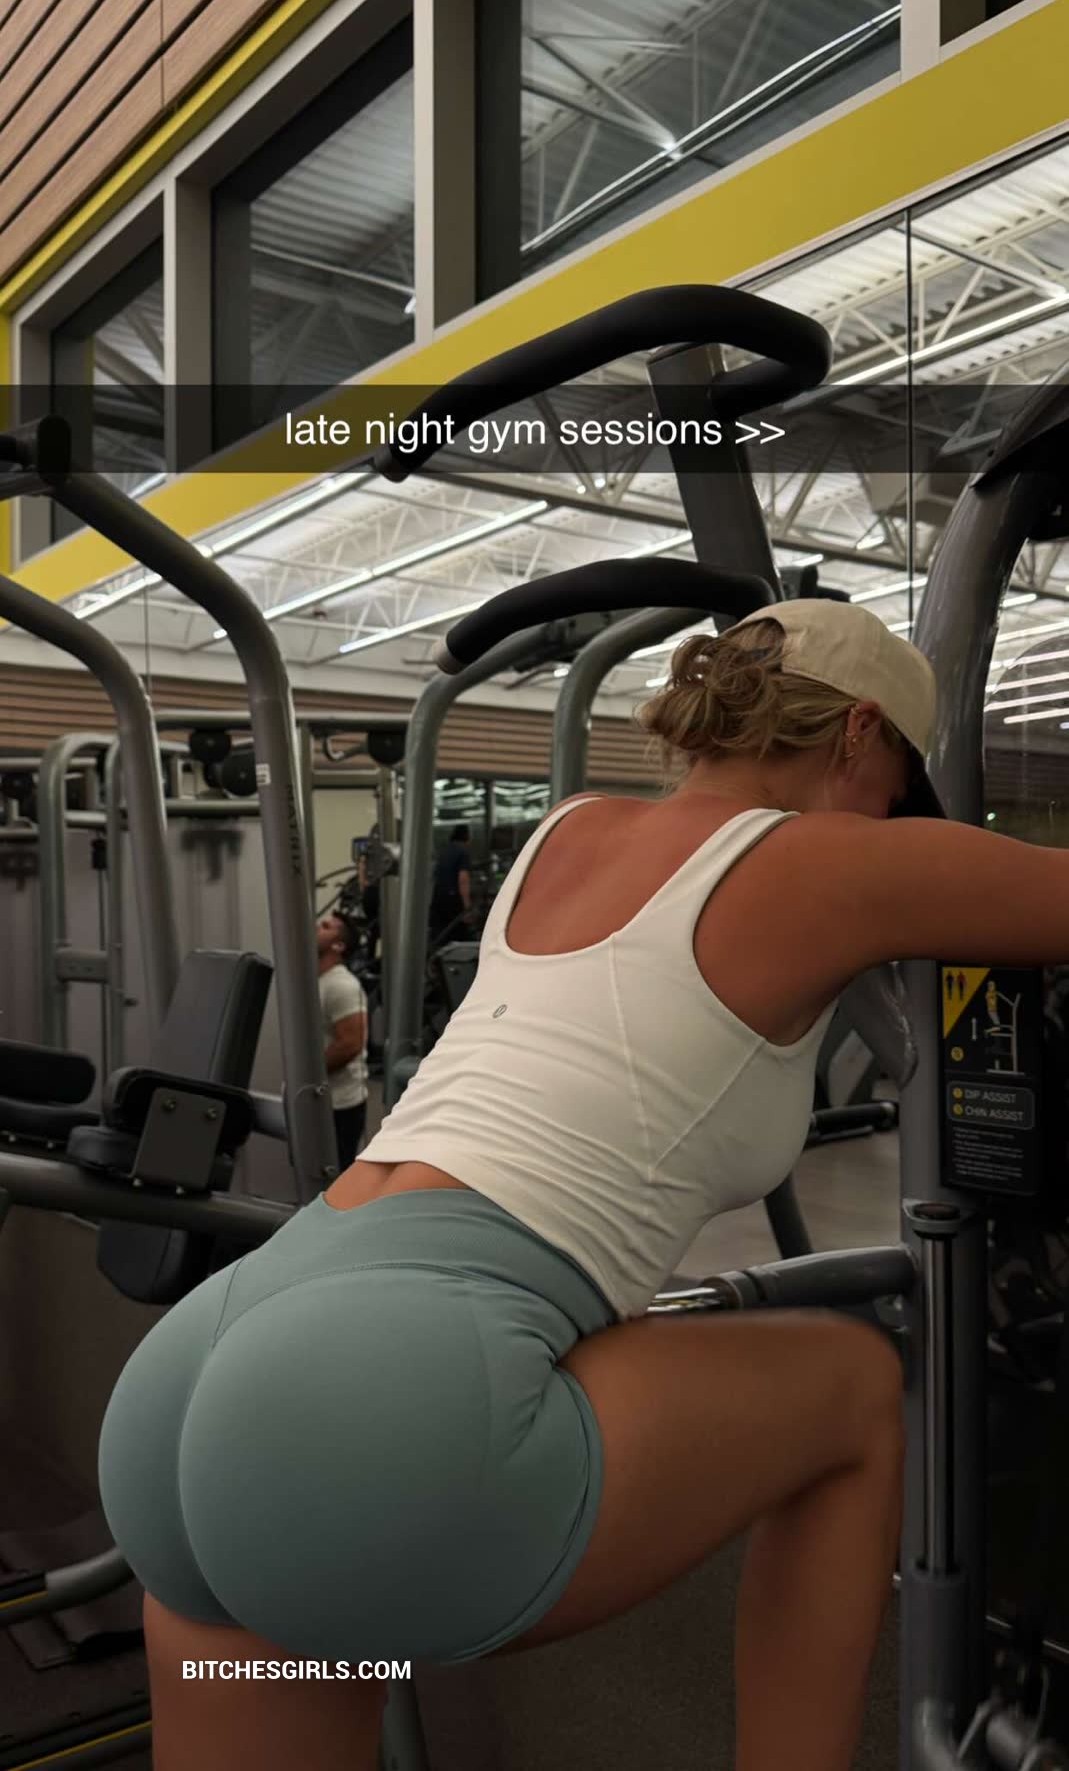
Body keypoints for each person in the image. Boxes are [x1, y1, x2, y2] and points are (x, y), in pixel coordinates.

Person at [97, 597, 1069, 1771]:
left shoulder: (567, 828)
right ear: (859, 731)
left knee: (302, 1636)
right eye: (900, 786)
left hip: (209, 1367)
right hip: (375, 1405)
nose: (892, 815)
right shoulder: (835, 859)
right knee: (859, 1387)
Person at [316, 912, 368, 1168]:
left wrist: (305, 1074)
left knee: (332, 1178)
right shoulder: (318, 981)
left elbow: (351, 1044)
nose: (317, 927)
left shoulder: (341, 985)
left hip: (339, 1106)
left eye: (326, 926)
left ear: (338, 945)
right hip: (317, 1099)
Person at [429, 821, 473, 945]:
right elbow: (463, 879)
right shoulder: (462, 852)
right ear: (466, 837)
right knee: (458, 938)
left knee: (441, 938)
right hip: (453, 901)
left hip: (438, 899)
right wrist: (467, 907)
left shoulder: (444, 851)